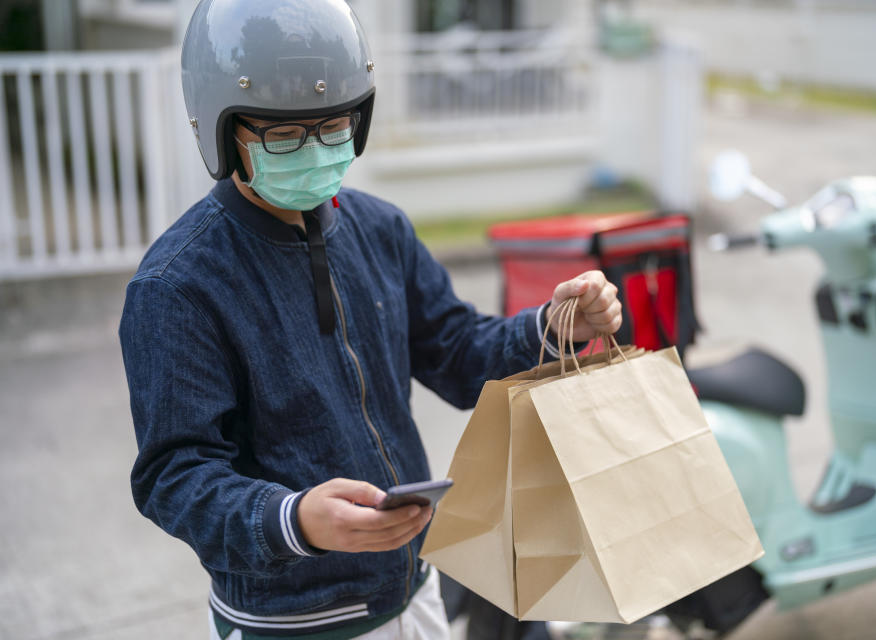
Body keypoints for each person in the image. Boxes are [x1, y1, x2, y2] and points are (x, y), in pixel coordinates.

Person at [119, 1, 623, 638]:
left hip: (416, 589)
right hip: (296, 622)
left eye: (335, 127)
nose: (315, 148)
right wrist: (295, 519)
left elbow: (456, 350)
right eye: (282, 135)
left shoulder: (378, 228)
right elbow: (175, 474)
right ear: (221, 130)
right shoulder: (179, 286)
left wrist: (553, 326)